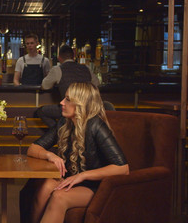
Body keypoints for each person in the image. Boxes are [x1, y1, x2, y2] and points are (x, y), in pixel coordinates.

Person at [20, 82, 129, 223]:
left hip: (95, 186)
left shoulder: (96, 126)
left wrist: (83, 176)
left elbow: (123, 168)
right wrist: (50, 155)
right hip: (71, 180)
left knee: (59, 197)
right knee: (45, 186)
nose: (61, 102)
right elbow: (33, 148)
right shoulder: (64, 122)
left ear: (81, 104)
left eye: (68, 99)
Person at [36, 45, 100, 128]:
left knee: (41, 111)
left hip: (69, 108)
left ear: (59, 58)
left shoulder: (57, 69)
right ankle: (64, 131)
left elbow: (45, 86)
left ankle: (59, 131)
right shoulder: (86, 68)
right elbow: (97, 84)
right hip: (88, 108)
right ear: (73, 56)